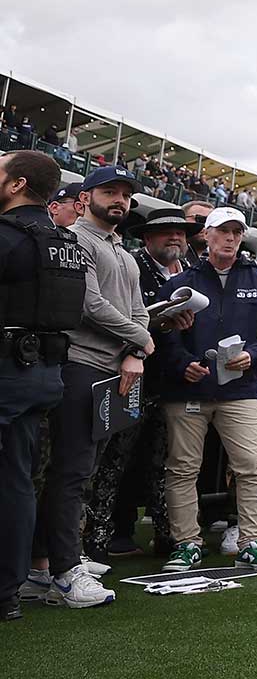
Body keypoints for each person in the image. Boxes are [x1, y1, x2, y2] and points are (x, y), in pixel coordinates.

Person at [22, 166, 150, 609]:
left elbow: (141, 313)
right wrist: (138, 338)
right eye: (109, 191)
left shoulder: (125, 251)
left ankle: (44, 567)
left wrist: (137, 349)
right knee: (71, 472)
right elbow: (89, 303)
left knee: (82, 470)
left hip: (115, 371)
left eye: (125, 195)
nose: (119, 200)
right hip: (78, 365)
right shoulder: (72, 239)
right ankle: (62, 569)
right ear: (85, 197)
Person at [154, 207, 257, 572]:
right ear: (206, 235)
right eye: (223, 231)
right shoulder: (182, 281)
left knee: (251, 465)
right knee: (183, 468)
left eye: (236, 232)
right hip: (188, 390)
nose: (230, 238)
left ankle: (252, 541)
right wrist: (182, 363)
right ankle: (186, 543)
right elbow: (162, 331)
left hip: (240, 389)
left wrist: (254, 355)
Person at [0, 151, 86, 623]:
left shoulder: (9, 237)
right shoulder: (67, 243)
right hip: (44, 373)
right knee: (16, 480)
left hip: (9, 370)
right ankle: (7, 592)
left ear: (17, 184)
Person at [88, 205, 196, 559]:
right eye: (167, 231)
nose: (176, 238)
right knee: (115, 461)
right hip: (126, 376)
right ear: (147, 238)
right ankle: (102, 537)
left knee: (163, 463)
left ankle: (167, 536)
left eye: (181, 233)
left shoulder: (192, 274)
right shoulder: (131, 266)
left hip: (174, 382)